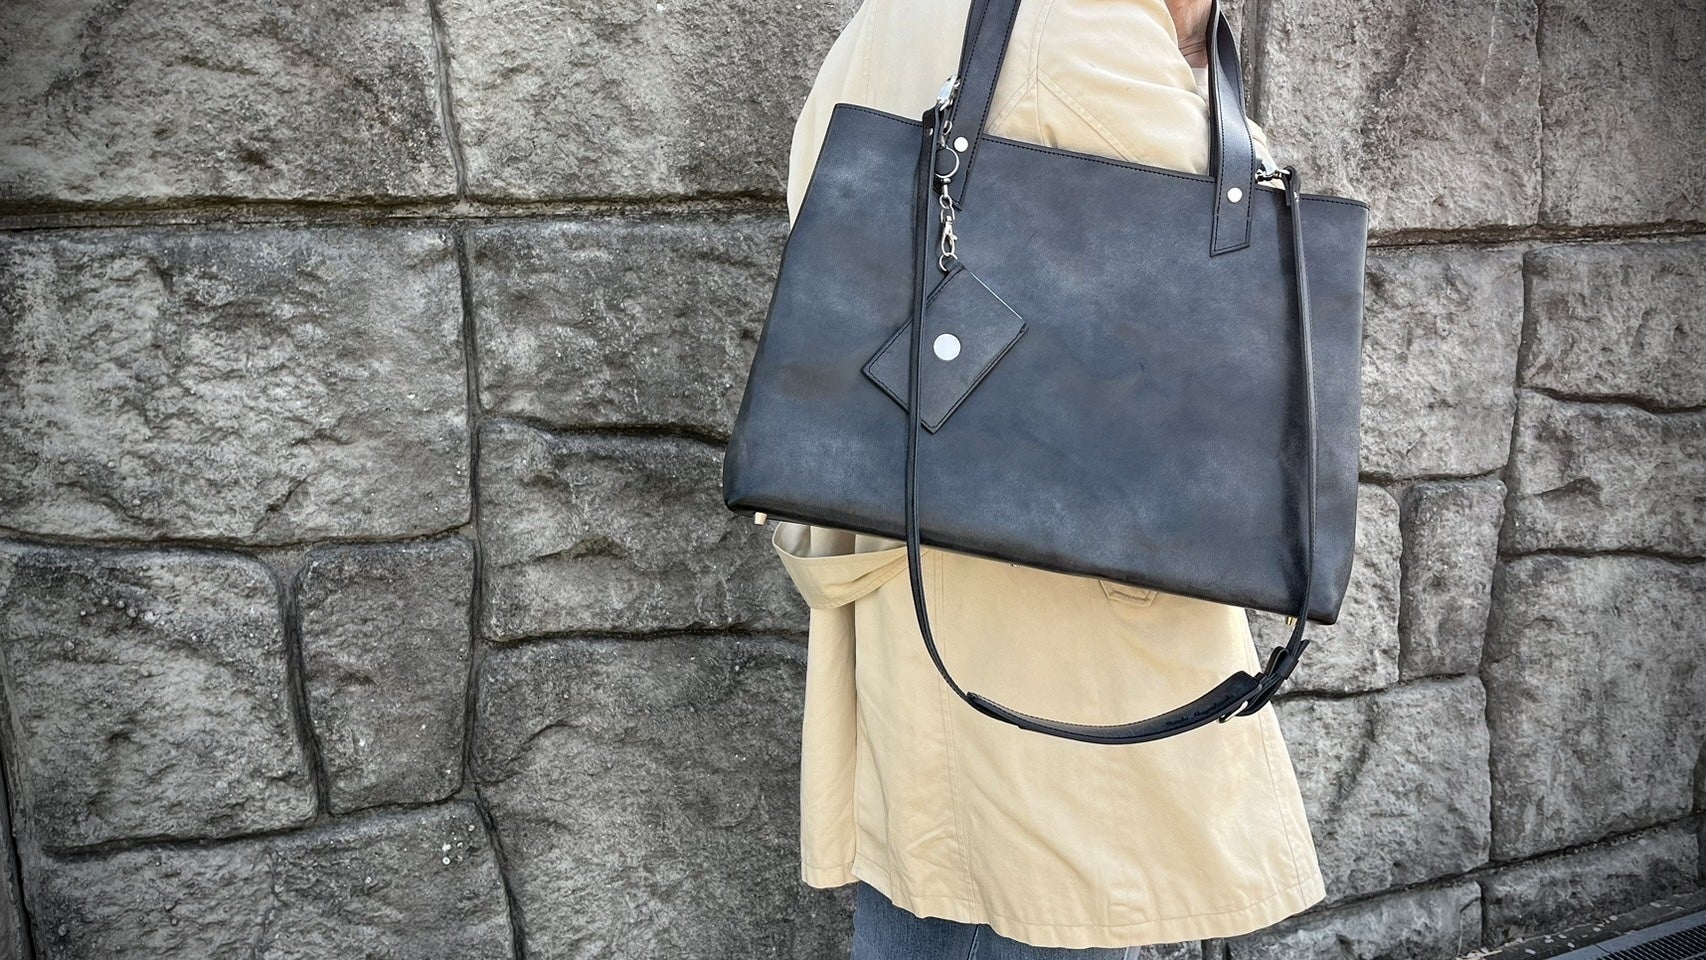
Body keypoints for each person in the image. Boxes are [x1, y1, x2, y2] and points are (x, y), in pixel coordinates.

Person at [769, 0, 1328, 955]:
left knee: (936, 899)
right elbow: (1247, 277)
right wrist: (1193, 42)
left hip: (921, 573)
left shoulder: (890, 18)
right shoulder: (1083, 25)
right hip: (1050, 638)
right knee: (1037, 902)